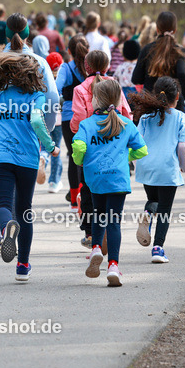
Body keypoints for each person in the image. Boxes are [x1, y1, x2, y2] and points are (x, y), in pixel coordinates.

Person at [0, 51, 60, 282]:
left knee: (3, 204)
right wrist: (50, 146)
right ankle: (22, 266)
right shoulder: (36, 96)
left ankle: (5, 230)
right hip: (27, 159)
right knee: (24, 209)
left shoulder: (0, 96)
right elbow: (36, 121)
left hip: (1, 159)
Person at [73, 78, 147, 287]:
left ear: (95, 99)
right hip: (118, 178)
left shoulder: (87, 124)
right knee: (114, 222)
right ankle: (113, 266)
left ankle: (96, 247)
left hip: (96, 177)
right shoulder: (126, 123)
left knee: (98, 213)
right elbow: (142, 150)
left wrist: (81, 161)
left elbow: (78, 147)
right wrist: (126, 157)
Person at [71, 50, 134, 246]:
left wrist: (82, 130)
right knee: (113, 189)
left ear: (86, 67)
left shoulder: (80, 89)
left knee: (89, 189)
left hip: (91, 147)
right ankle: (109, 230)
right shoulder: (114, 86)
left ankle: (91, 234)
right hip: (115, 144)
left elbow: (78, 121)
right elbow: (126, 113)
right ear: (107, 67)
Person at [132, 76, 185, 263]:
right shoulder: (182, 118)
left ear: (156, 96)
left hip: (146, 165)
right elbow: (182, 148)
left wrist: (137, 165)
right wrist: (183, 166)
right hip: (167, 167)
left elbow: (136, 143)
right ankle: (158, 249)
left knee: (153, 200)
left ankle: (148, 213)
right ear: (178, 96)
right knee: (165, 209)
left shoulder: (145, 117)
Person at [130, 11, 185, 113]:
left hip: (151, 104)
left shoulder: (147, 49)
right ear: (175, 30)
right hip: (174, 106)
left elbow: (136, 78)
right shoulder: (180, 51)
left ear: (157, 28)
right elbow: (182, 75)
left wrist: (150, 78)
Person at [56, 35, 89, 211]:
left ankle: (75, 202)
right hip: (91, 118)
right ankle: (87, 197)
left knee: (74, 156)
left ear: (68, 51)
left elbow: (56, 88)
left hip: (70, 118)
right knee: (88, 156)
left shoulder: (66, 68)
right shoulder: (93, 67)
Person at [45, 52, 65, 193]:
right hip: (59, 119)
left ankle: (43, 158)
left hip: (44, 118)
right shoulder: (62, 80)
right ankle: (54, 181)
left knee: (45, 147)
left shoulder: (44, 79)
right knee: (56, 148)